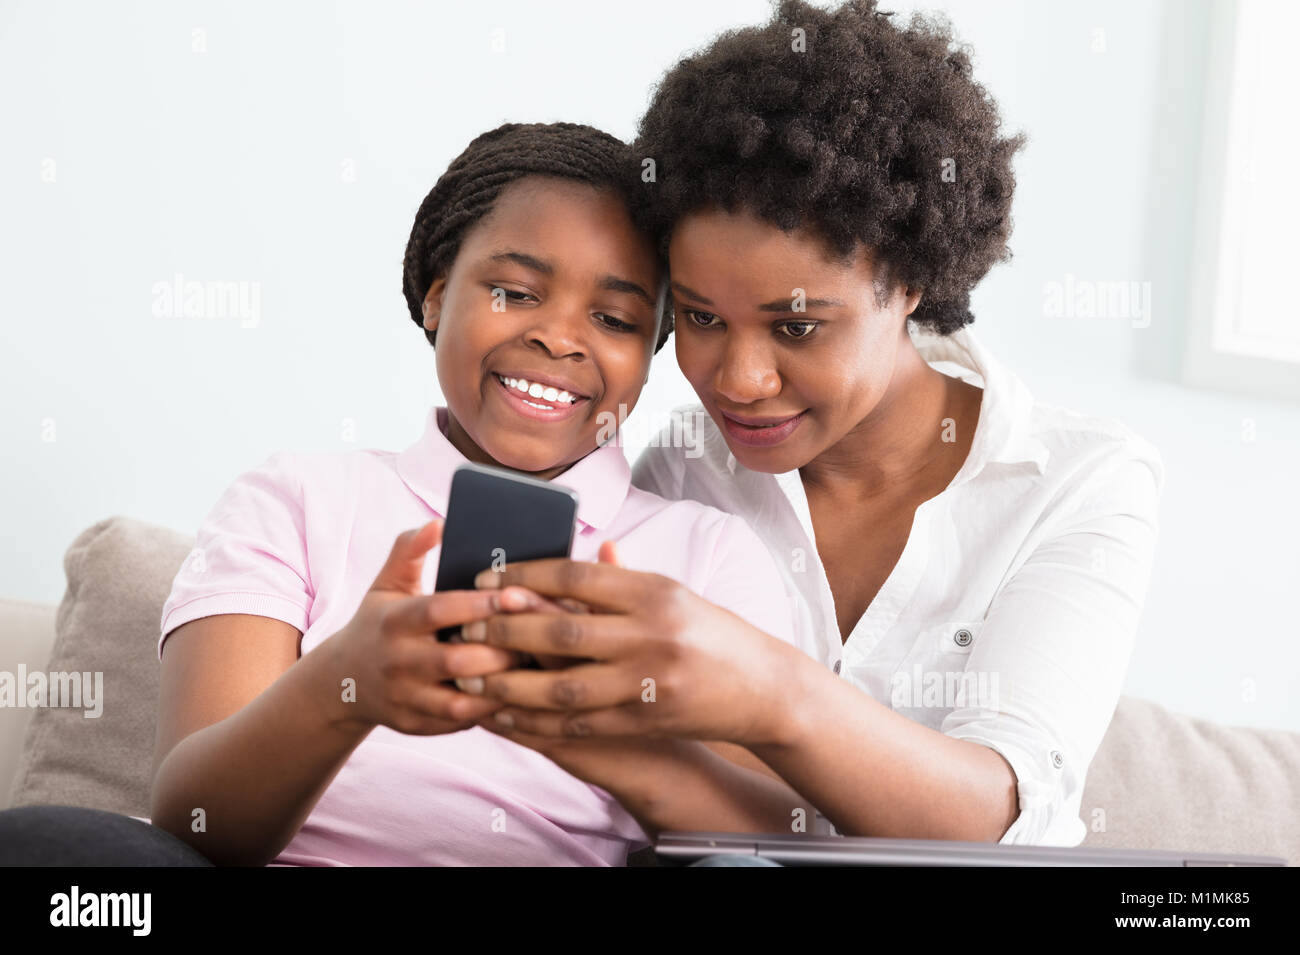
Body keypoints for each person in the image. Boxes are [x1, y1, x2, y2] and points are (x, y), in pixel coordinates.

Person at [0, 122, 820, 867]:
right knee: (53, 846)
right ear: (436, 295)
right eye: (516, 292)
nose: (558, 336)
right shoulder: (296, 498)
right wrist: (342, 687)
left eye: (615, 319)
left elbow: (770, 839)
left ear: (650, 353)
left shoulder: (707, 554)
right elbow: (196, 820)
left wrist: (597, 739)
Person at [457, 0, 1165, 848]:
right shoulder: (685, 470)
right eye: (701, 319)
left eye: (796, 327)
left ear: (908, 285)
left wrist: (766, 689)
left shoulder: (1076, 481)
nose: (740, 382)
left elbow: (1001, 818)